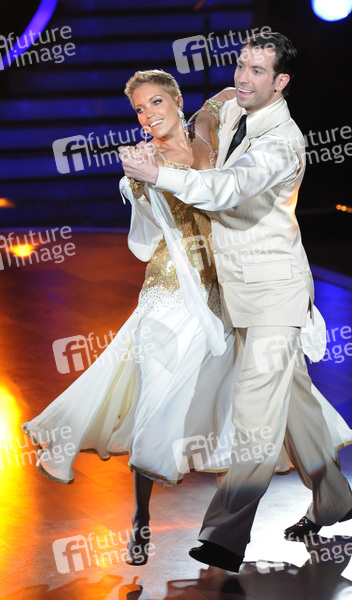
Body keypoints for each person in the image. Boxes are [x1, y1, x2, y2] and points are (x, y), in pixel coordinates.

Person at [119, 33, 352, 573]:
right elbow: (211, 110)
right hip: (235, 295)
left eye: (258, 71)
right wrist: (205, 106)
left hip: (274, 295)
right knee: (297, 408)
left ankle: (224, 537)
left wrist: (158, 174)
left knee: (253, 415)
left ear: (281, 82)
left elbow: (226, 188)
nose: (244, 78)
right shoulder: (235, 110)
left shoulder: (282, 143)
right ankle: (334, 498)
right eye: (241, 66)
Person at [22, 69, 241, 566]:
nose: (148, 114)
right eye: (139, 109)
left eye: (156, 102)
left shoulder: (206, 136)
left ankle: (226, 532)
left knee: (227, 400)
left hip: (221, 291)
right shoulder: (143, 162)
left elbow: (226, 97)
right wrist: (139, 185)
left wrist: (227, 95)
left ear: (177, 100)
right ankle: (142, 517)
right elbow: (144, 243)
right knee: (154, 403)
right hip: (167, 296)